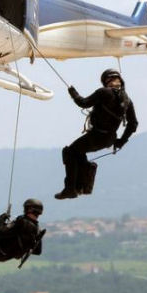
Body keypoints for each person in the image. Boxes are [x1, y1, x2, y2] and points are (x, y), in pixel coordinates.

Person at [55, 69, 138, 200]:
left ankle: (70, 189)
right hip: (109, 138)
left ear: (106, 81)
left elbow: (83, 103)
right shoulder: (127, 100)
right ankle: (81, 187)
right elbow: (133, 124)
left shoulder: (104, 92)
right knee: (78, 153)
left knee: (70, 152)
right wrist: (121, 141)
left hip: (96, 136)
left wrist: (73, 93)